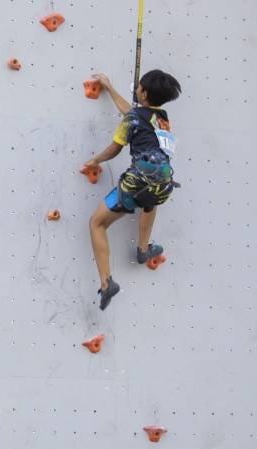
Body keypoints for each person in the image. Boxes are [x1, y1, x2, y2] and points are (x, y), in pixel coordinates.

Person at [83, 70, 182, 310]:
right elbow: (132, 113)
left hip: (137, 182)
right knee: (151, 198)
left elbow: (115, 148)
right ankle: (143, 248)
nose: (136, 89)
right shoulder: (162, 118)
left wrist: (95, 160)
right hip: (164, 182)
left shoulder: (134, 118)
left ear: (144, 93)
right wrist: (110, 88)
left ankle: (106, 282)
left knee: (97, 224)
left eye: (138, 87)